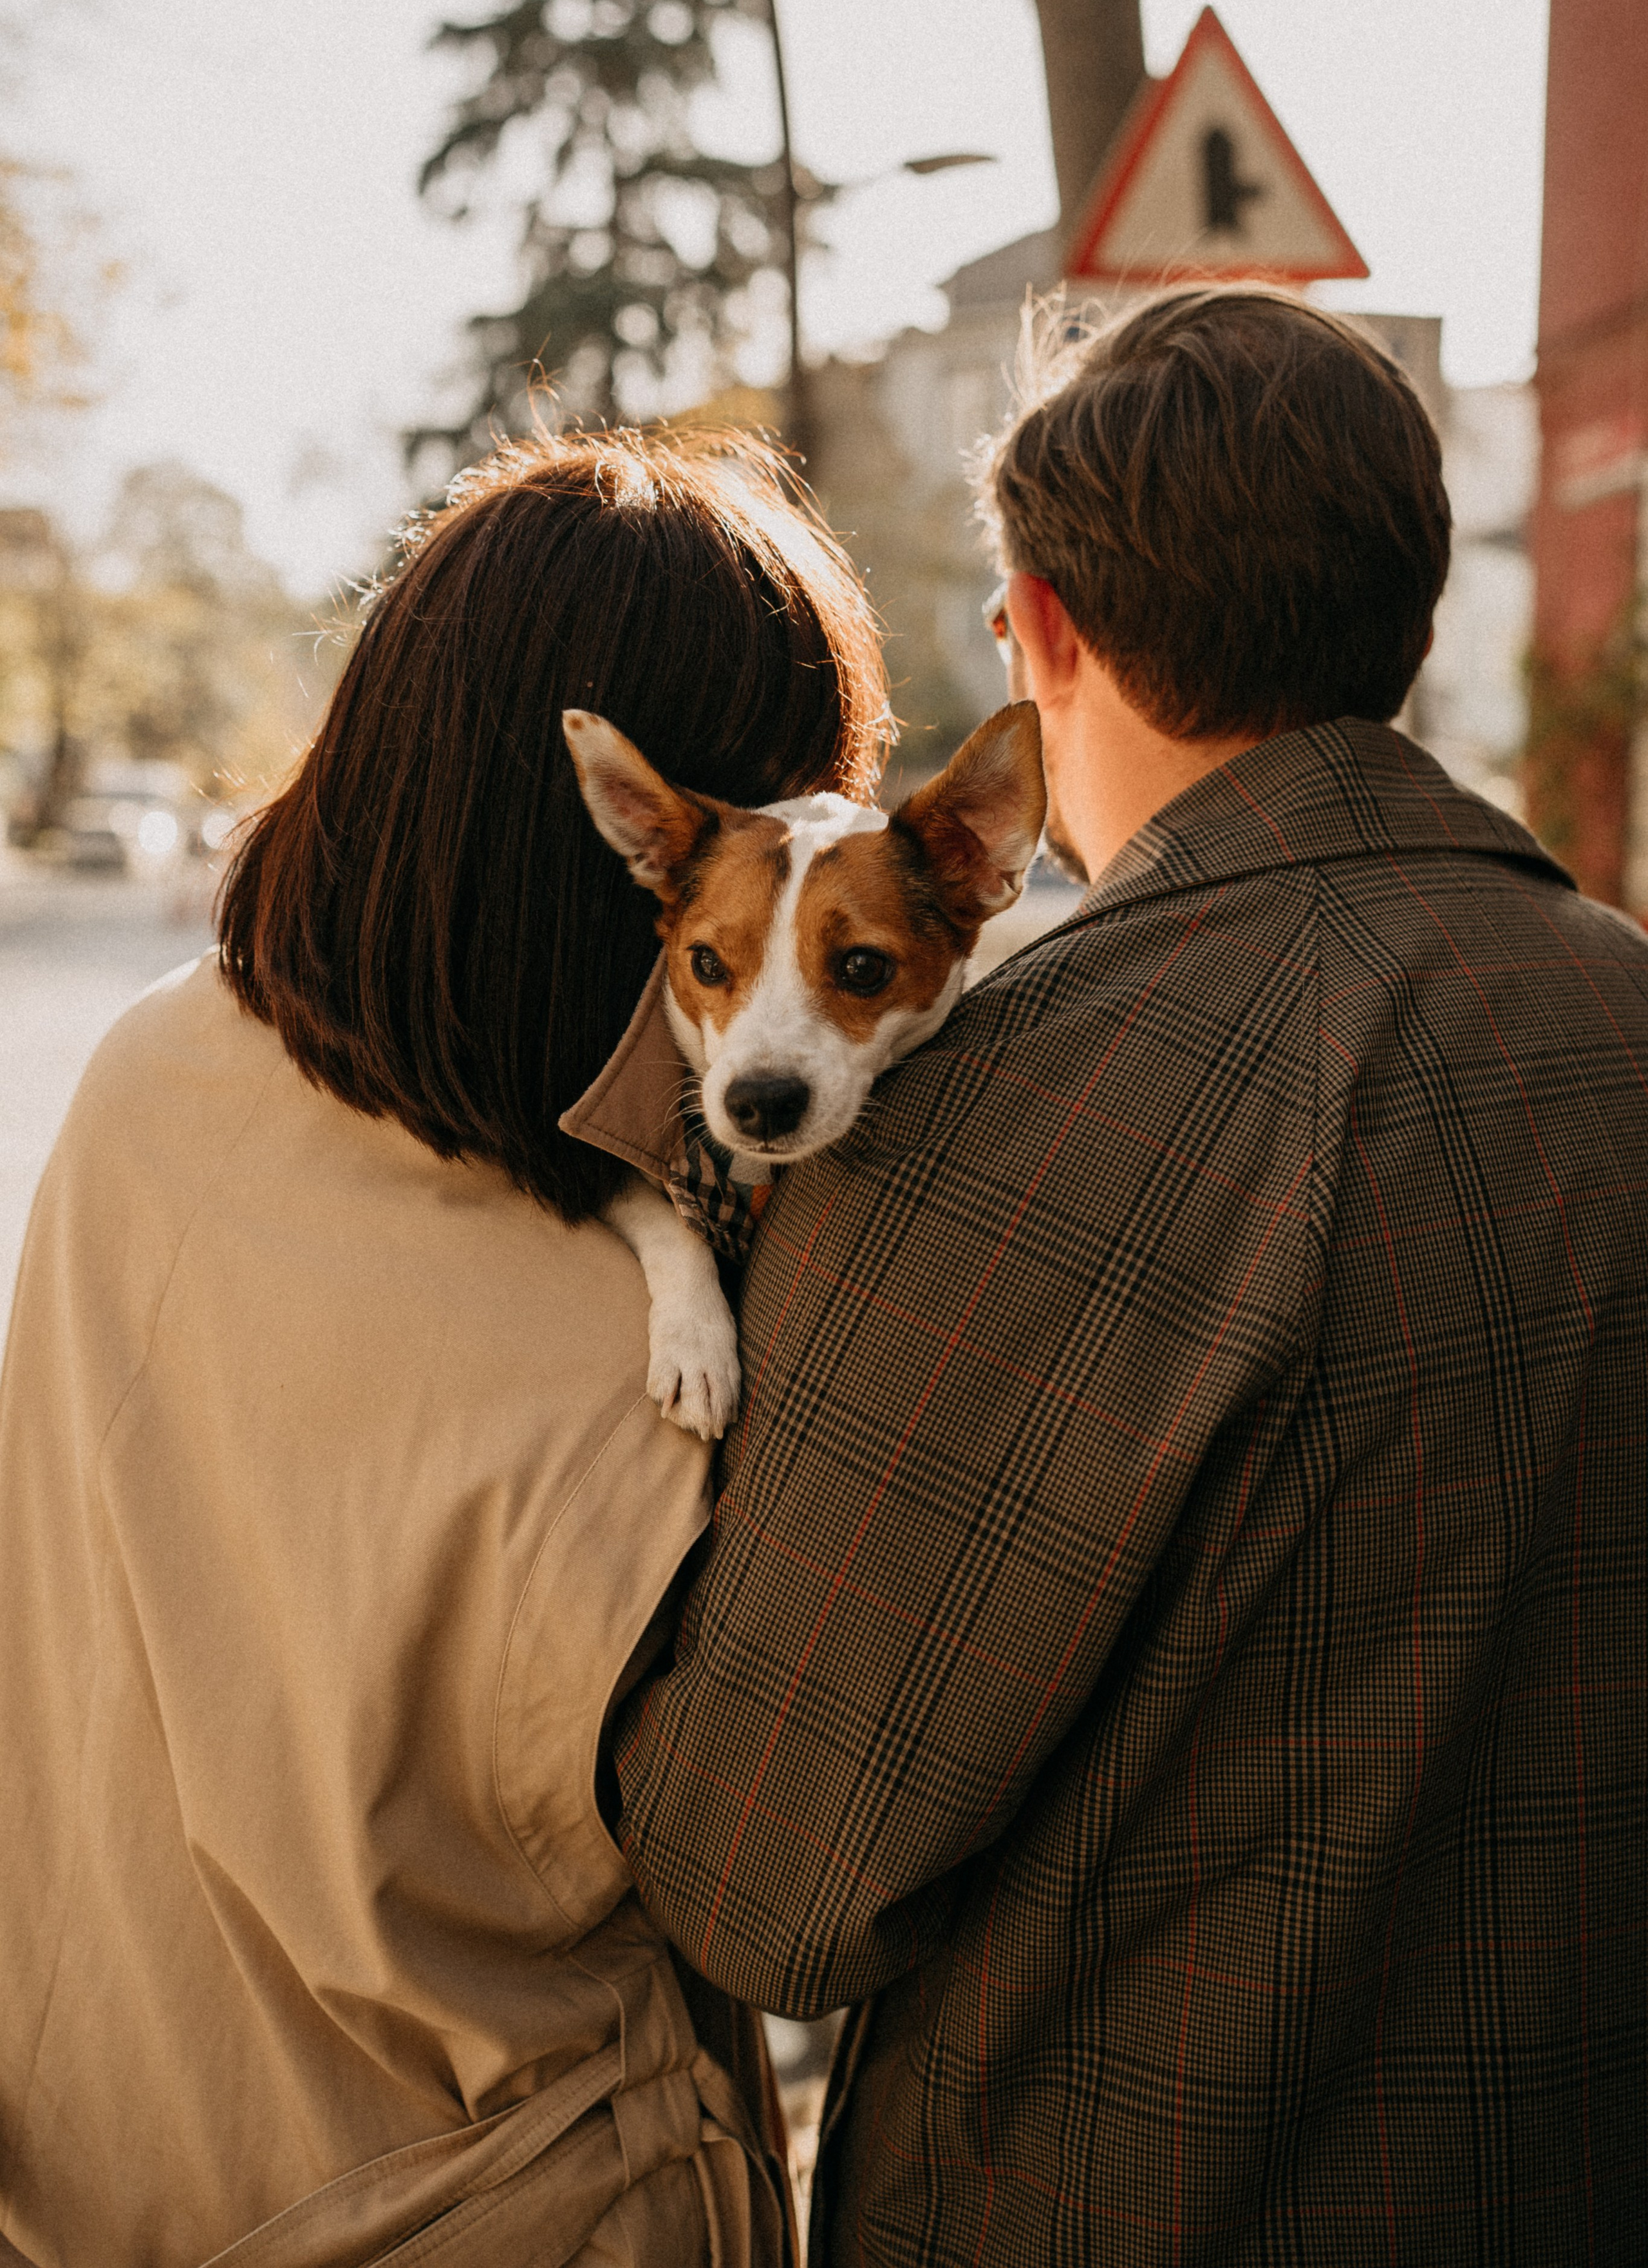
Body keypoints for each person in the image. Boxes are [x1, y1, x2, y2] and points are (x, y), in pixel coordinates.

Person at [600, 291, 1647, 2264]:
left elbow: (767, 1880)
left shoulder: (982, 1120)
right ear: (1409, 621)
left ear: (1048, 631)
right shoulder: (1623, 1017)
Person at [0, 432, 886, 2267]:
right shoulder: (665, 1367)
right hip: (524, 2211)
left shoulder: (158, 1071)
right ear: (644, 862)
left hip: (91, 2172)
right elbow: (800, 1895)